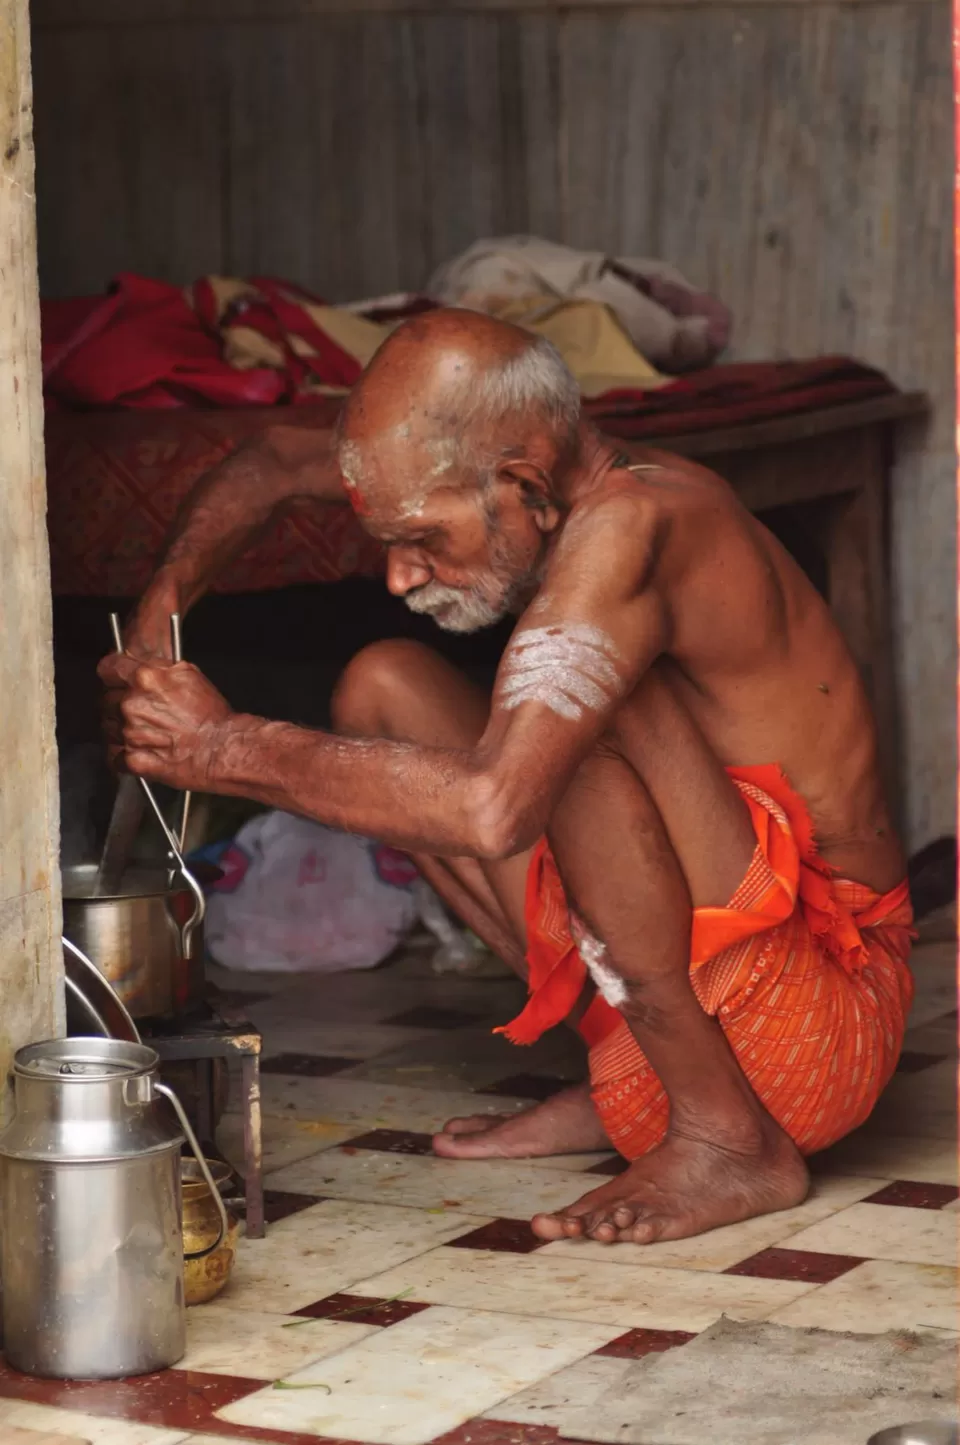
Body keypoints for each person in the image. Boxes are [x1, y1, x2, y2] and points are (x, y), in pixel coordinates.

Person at [101, 308, 913, 1247]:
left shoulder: (633, 527)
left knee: (577, 713)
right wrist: (166, 598)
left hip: (815, 1036)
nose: (402, 576)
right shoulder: (521, 468)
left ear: (524, 480)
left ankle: (725, 1134)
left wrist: (221, 747)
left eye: (421, 538)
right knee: (381, 685)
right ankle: (630, 1061)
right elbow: (277, 462)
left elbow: (496, 808)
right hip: (717, 1000)